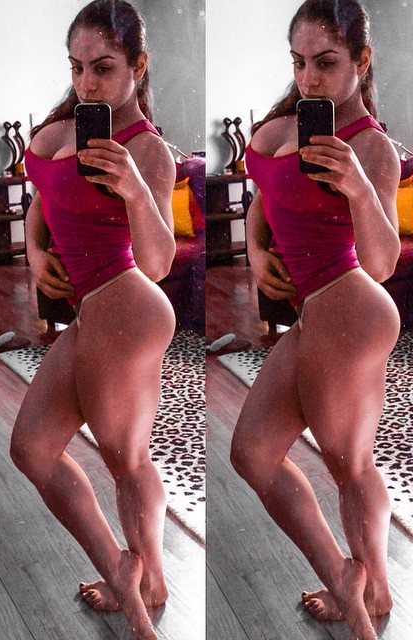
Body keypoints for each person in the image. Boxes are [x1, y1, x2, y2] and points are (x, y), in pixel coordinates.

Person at [229, 1, 400, 639]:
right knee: (252, 452)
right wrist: (257, 254)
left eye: (325, 62)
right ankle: (352, 577)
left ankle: (371, 591)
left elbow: (381, 263)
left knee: (348, 464)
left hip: (352, 306)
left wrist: (358, 187)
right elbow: (264, 196)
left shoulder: (371, 147)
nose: (308, 79)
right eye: (299, 63)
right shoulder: (285, 126)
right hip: (314, 312)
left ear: (361, 60)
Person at [9, 1, 177, 637]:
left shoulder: (148, 151)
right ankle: (131, 570)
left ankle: (146, 582)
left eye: (103, 68)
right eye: (77, 68)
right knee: (31, 447)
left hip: (129, 304)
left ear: (137, 65)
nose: (87, 84)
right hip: (92, 311)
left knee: (125, 457)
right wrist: (36, 255)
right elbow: (41, 202)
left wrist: (133, 189)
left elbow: (158, 262)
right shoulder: (62, 134)